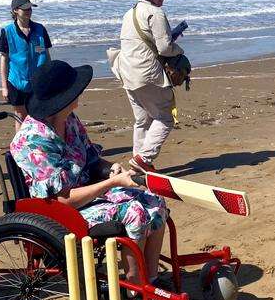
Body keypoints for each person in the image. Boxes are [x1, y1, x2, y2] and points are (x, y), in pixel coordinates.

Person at [10, 60, 167, 282]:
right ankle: (135, 289)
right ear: (61, 99)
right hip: (59, 211)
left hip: (87, 194)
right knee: (135, 212)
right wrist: (111, 183)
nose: (79, 94)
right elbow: (60, 200)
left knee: (155, 199)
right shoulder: (33, 141)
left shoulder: (68, 120)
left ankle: (150, 282)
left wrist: (109, 168)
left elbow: (91, 158)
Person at [113, 0, 184, 173]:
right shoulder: (156, 14)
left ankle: (137, 168)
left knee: (142, 120)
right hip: (147, 74)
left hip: (126, 72)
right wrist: (180, 50)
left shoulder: (130, 13)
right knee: (165, 117)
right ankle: (144, 159)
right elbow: (165, 48)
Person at [0, 0, 52, 129]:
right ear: (15, 10)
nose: (29, 11)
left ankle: (40, 144)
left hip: (39, 80)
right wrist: (4, 87)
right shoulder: (7, 31)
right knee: (20, 115)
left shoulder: (40, 29)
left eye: (30, 9)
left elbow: (47, 54)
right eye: (25, 9)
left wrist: (50, 76)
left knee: (39, 114)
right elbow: (4, 60)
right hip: (17, 81)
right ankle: (19, 148)